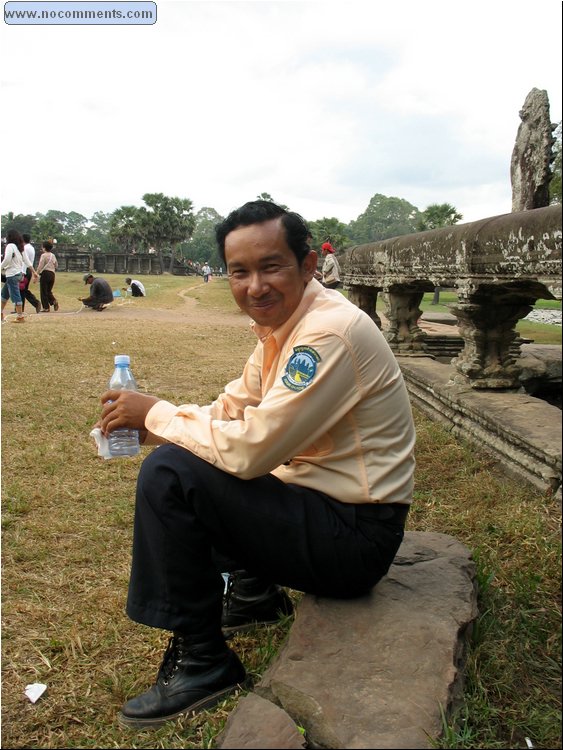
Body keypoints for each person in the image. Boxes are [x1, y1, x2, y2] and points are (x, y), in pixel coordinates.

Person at [97, 200, 416, 730]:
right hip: (321, 511)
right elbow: (230, 412)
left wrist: (157, 416)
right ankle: (254, 594)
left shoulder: (327, 334)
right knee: (195, 456)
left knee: (173, 475)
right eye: (239, 272)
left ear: (307, 265)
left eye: (271, 267)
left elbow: (250, 451)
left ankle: (205, 662)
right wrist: (155, 425)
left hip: (355, 539)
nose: (255, 286)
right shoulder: (284, 328)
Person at [1, 229, 30, 323]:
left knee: (15, 295)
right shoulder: (20, 247)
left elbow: (7, 259)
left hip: (12, 274)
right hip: (18, 273)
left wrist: (1, 267)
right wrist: (34, 271)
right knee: (4, 294)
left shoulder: (10, 246)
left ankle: (20, 316)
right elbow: (26, 260)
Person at [21, 234, 42, 313]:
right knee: (23, 289)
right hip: (29, 269)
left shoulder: (25, 248)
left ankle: (34, 303)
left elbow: (24, 260)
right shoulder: (31, 248)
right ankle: (21, 307)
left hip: (25, 269)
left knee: (22, 289)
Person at [37, 241, 59, 312]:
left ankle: (46, 307)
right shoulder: (53, 255)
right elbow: (56, 265)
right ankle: (53, 301)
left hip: (45, 274)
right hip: (52, 274)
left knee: (43, 291)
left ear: (44, 248)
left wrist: (36, 274)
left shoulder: (43, 255)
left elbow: (40, 266)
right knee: (48, 291)